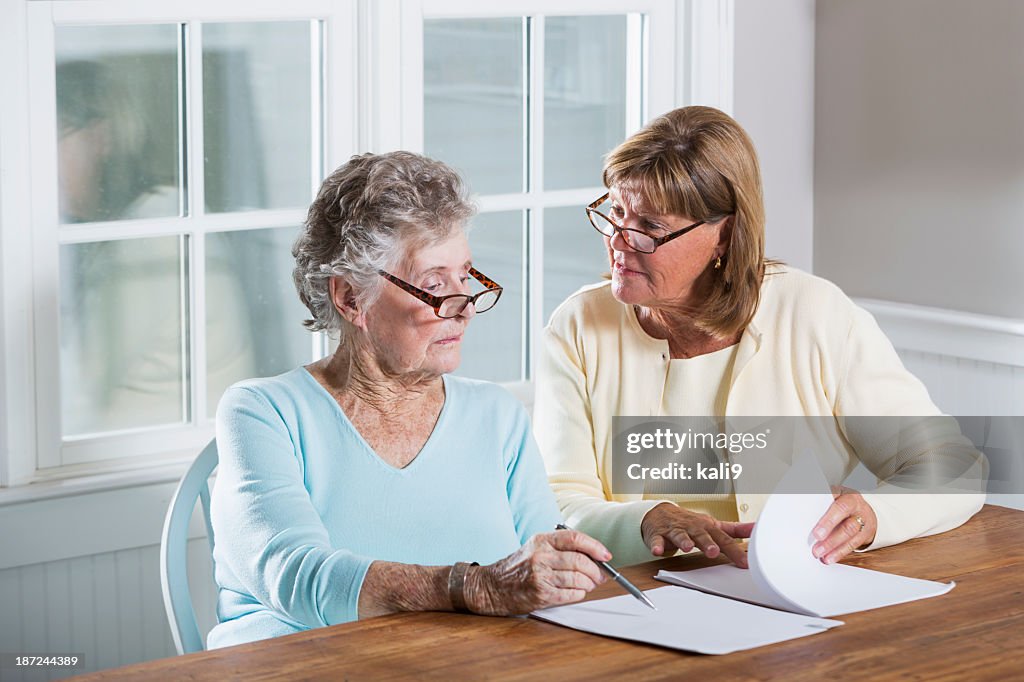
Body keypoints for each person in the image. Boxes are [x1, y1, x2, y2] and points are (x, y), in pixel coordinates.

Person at [534, 105, 986, 569]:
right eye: (615, 212)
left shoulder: (813, 313)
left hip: (793, 595)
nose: (618, 240)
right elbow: (556, 501)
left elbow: (955, 466)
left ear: (725, 235)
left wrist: (873, 515)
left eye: (650, 226)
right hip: (632, 602)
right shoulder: (578, 326)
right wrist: (645, 519)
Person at [207, 151, 610, 648]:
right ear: (352, 298)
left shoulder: (497, 415)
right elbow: (294, 576)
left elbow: (543, 566)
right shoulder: (262, 411)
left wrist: (566, 569)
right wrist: (473, 586)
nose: (463, 309)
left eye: (467, 276)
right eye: (434, 284)